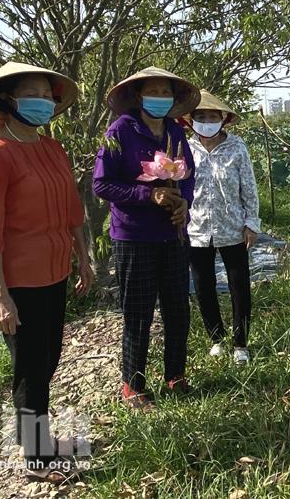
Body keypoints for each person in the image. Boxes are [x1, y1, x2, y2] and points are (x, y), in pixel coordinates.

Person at [0, 62, 92, 483]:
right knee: (30, 368)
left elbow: (72, 209)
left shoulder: (51, 148)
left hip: (54, 271)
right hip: (19, 280)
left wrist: (84, 257)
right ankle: (37, 458)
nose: (43, 100)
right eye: (32, 92)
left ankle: (37, 439)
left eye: (47, 94)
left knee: (50, 355)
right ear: (7, 99)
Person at [92, 67, 200, 411]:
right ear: (139, 97)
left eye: (165, 93)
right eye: (153, 92)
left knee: (177, 309)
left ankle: (176, 374)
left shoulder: (175, 131)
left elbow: (188, 175)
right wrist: (147, 196)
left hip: (173, 234)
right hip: (134, 237)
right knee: (138, 312)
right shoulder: (121, 131)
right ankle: (133, 384)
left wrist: (184, 202)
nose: (160, 98)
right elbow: (102, 184)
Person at [184, 91, 261, 365]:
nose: (206, 122)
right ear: (191, 120)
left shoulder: (237, 148)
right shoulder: (184, 147)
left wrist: (251, 223)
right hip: (196, 228)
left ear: (223, 119)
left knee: (239, 284)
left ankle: (241, 343)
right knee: (203, 285)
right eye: (201, 117)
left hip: (232, 227)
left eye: (212, 117)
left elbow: (249, 188)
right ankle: (216, 338)